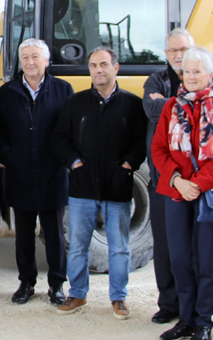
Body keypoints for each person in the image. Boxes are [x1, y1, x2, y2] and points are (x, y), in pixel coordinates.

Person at [151, 46, 213, 340]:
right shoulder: (170, 107)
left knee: (204, 261)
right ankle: (186, 318)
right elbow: (159, 150)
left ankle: (204, 321)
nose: (190, 76)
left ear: (210, 74)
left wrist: (197, 184)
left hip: (209, 194)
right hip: (175, 193)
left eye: (197, 71)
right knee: (178, 259)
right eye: (186, 71)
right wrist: (178, 180)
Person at [52, 47, 146, 319]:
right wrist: (75, 163)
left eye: (104, 64)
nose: (98, 70)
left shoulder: (132, 104)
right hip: (82, 187)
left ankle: (119, 298)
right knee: (78, 245)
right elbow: (59, 139)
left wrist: (128, 165)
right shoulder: (75, 103)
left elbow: (142, 142)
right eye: (93, 65)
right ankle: (77, 294)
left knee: (119, 247)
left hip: (117, 186)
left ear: (116, 68)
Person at [142, 28, 213, 324]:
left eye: (184, 50)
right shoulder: (156, 79)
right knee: (167, 247)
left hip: (204, 184)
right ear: (166, 54)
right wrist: (173, 103)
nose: (179, 57)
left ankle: (199, 315)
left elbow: (210, 115)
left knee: (199, 253)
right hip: (166, 179)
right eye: (174, 52)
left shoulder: (212, 78)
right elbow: (151, 109)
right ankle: (169, 304)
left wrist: (168, 103)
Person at [0, 38, 72, 305]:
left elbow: (70, 131)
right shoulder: (8, 92)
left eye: (35, 56)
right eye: (25, 57)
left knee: (54, 235)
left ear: (46, 61)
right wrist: (9, 157)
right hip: (20, 175)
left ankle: (57, 285)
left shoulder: (63, 89)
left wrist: (62, 160)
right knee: (23, 235)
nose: (30, 62)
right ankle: (26, 283)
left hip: (53, 175)